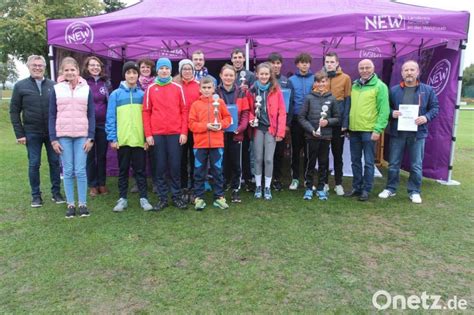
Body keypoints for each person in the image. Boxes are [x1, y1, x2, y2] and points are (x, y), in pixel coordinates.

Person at [378, 60, 439, 204]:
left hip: (418, 134)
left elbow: (435, 108)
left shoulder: (428, 90)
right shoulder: (393, 90)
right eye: (406, 70)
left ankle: (414, 191)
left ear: (418, 72)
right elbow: (385, 109)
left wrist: (426, 117)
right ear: (402, 73)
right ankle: (391, 188)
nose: (409, 72)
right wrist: (392, 113)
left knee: (416, 165)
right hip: (397, 133)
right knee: (393, 163)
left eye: (412, 70)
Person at [9, 55, 64, 207]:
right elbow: (14, 111)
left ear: (44, 67)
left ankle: (56, 192)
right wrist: (19, 134)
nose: (37, 68)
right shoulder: (20, 86)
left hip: (51, 133)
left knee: (54, 162)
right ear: (29, 66)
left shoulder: (53, 85)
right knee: (34, 164)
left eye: (40, 65)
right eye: (34, 65)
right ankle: (36, 195)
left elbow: (60, 110)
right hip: (31, 132)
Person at [49, 57, 95, 218]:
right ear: (62, 72)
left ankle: (82, 204)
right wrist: (53, 139)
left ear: (77, 70)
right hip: (63, 136)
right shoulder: (56, 89)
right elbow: (51, 115)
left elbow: (91, 114)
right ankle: (70, 204)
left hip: (82, 135)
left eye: (72, 69)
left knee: (80, 170)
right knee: (68, 171)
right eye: (66, 70)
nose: (70, 72)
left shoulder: (86, 88)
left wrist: (91, 137)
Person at [105, 61, 154, 212]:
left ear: (138, 75)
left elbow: (148, 118)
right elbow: (111, 117)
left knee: (140, 171)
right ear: (124, 75)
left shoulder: (143, 95)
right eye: (128, 73)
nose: (131, 75)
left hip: (139, 140)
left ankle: (144, 198)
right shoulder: (115, 95)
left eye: (134, 73)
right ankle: (122, 199)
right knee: (123, 170)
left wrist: (147, 137)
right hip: (123, 140)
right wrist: (113, 138)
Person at [142, 57, 188, 210]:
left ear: (170, 70)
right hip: (157, 134)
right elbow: (146, 112)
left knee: (175, 167)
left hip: (175, 133)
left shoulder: (177, 88)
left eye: (167, 68)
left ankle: (176, 196)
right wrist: (148, 134)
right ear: (157, 70)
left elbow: (184, 111)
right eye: (161, 68)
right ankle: (162, 198)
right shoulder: (151, 88)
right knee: (160, 167)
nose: (164, 71)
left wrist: (183, 132)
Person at [345, 59, 389, 201]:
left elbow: (384, 110)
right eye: (362, 68)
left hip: (369, 131)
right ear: (358, 70)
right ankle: (356, 187)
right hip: (354, 130)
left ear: (373, 68)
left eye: (367, 67)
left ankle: (366, 189)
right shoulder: (355, 86)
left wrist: (378, 129)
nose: (364, 70)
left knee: (369, 162)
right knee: (355, 161)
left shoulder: (380, 86)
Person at [188, 77, 232, 210]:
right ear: (200, 89)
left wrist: (220, 126)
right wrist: (206, 126)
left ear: (214, 89)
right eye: (204, 88)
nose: (207, 90)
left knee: (217, 171)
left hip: (217, 143)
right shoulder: (195, 105)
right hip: (200, 144)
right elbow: (191, 124)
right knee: (199, 171)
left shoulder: (220, 102)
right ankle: (199, 197)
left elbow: (228, 118)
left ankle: (219, 196)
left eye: (209, 88)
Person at [298, 70, 340, 201]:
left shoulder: (332, 98)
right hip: (312, 137)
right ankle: (309, 188)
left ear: (327, 82)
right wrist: (311, 130)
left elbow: (338, 118)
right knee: (310, 163)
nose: (321, 84)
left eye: (323, 81)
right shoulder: (309, 98)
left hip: (326, 136)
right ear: (314, 83)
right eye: (318, 82)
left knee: (323, 163)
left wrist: (327, 122)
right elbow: (301, 117)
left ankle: (321, 188)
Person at [249, 62, 287, 200]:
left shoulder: (276, 90)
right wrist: (252, 118)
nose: (264, 76)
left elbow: (282, 112)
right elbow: (249, 110)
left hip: (271, 129)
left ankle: (267, 187)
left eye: (266, 74)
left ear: (270, 75)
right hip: (258, 129)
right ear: (257, 74)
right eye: (261, 74)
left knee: (269, 160)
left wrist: (280, 132)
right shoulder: (252, 90)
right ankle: (258, 186)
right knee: (258, 159)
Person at [216, 64, 250, 203]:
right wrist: (219, 126)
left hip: (236, 134)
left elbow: (246, 113)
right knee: (222, 162)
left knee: (236, 163)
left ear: (235, 77)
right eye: (226, 75)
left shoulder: (241, 92)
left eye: (231, 75)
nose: (228, 77)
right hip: (220, 133)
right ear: (221, 76)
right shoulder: (215, 92)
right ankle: (223, 186)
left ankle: (236, 189)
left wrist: (241, 128)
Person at [82, 56, 112, 197]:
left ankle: (102, 183)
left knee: (101, 156)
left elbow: (110, 103)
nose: (95, 68)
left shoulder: (106, 83)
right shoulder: (82, 83)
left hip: (102, 125)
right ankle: (92, 185)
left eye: (97, 65)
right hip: (87, 126)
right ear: (87, 67)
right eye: (92, 65)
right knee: (89, 156)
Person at [322, 52, 352, 196]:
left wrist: (345, 123)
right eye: (327, 62)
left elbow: (347, 102)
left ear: (337, 63)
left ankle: (338, 183)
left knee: (337, 154)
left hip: (338, 124)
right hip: (324, 123)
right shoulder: (321, 77)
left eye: (332, 62)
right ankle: (325, 182)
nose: (329, 64)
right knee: (324, 155)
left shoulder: (346, 78)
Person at [174, 59, 201, 202]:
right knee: (182, 159)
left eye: (189, 69)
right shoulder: (175, 86)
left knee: (195, 159)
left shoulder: (199, 85)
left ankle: (194, 188)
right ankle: (183, 187)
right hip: (180, 128)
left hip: (196, 129)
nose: (187, 71)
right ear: (180, 71)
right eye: (184, 69)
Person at [268, 52, 294, 191]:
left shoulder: (286, 81)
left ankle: (277, 178)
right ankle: (266, 178)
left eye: (278, 63)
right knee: (266, 154)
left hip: (281, 124)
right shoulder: (264, 80)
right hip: (267, 125)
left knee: (278, 153)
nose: (276, 66)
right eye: (273, 63)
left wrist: (287, 124)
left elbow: (291, 103)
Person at [288, 53, 314, 190]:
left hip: (310, 120)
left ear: (310, 64)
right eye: (302, 62)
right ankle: (295, 179)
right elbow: (290, 101)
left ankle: (307, 179)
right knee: (296, 151)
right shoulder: (291, 80)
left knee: (309, 151)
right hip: (297, 120)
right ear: (297, 64)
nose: (304, 64)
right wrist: (289, 121)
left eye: (307, 62)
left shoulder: (315, 79)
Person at [231, 48, 255, 191]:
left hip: (246, 116)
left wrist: (248, 90)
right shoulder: (228, 73)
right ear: (232, 59)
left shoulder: (251, 75)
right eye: (235, 57)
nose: (238, 59)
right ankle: (232, 178)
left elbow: (255, 95)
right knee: (231, 152)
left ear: (244, 59)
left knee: (246, 151)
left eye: (240, 57)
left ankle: (247, 178)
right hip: (231, 119)